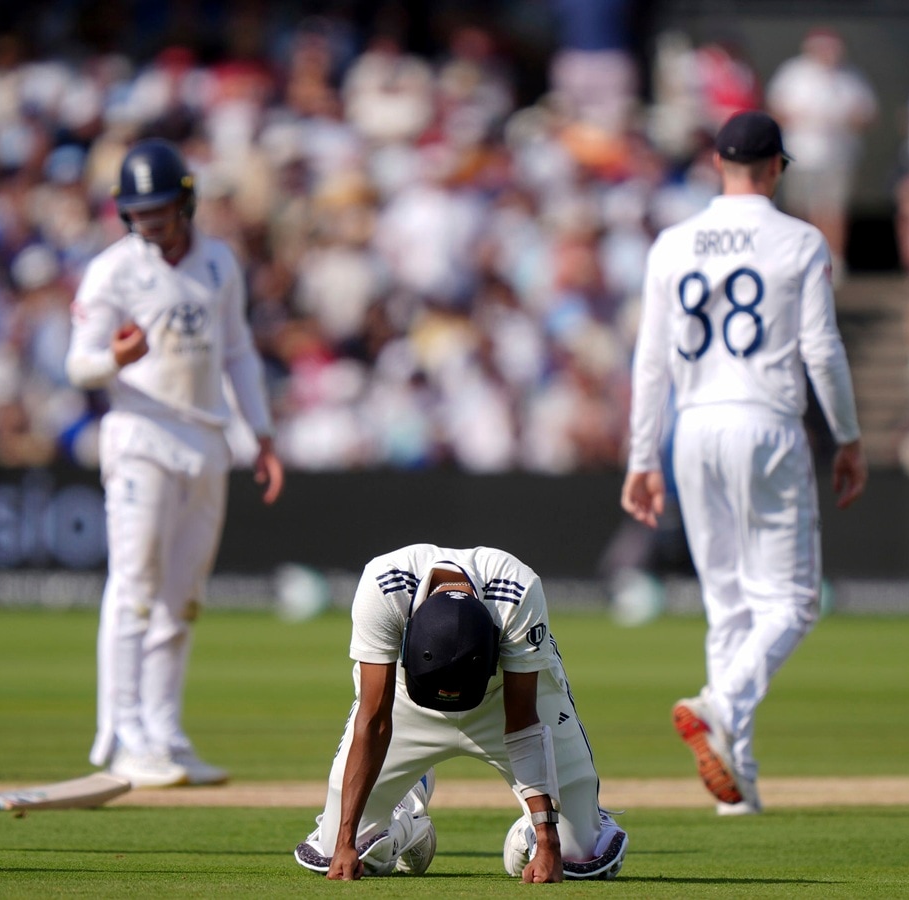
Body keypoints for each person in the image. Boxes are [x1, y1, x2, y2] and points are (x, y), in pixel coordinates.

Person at [621, 110, 867, 815]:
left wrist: (643, 456)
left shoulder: (672, 243)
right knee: (790, 601)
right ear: (778, 167)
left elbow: (649, 362)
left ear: (717, 163)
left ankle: (740, 780)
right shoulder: (799, 239)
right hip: (765, 420)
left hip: (694, 426)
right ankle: (721, 707)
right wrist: (848, 438)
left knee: (727, 604)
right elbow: (821, 349)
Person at [67, 139, 285, 788]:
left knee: (182, 597)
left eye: (160, 210)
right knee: (134, 585)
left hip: (206, 438)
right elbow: (79, 362)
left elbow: (239, 353)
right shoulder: (113, 271)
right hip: (139, 431)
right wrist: (115, 361)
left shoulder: (219, 263)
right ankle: (123, 733)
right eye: (138, 213)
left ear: (185, 202)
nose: (150, 224)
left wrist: (263, 436)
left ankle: (164, 730)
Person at [292, 544, 628, 882]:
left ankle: (536, 826)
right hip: (406, 699)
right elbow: (374, 718)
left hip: (501, 697)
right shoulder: (383, 585)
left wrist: (548, 840)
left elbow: (524, 721)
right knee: (332, 852)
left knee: (580, 857)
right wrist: (347, 839)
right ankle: (407, 813)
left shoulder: (518, 590)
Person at [765, 29, 875, 279]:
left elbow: (867, 115)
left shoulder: (850, 78)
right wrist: (803, 119)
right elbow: (776, 109)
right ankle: (798, 257)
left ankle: (833, 262)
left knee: (832, 210)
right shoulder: (793, 73)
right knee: (798, 208)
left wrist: (844, 120)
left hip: (837, 156)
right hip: (800, 155)